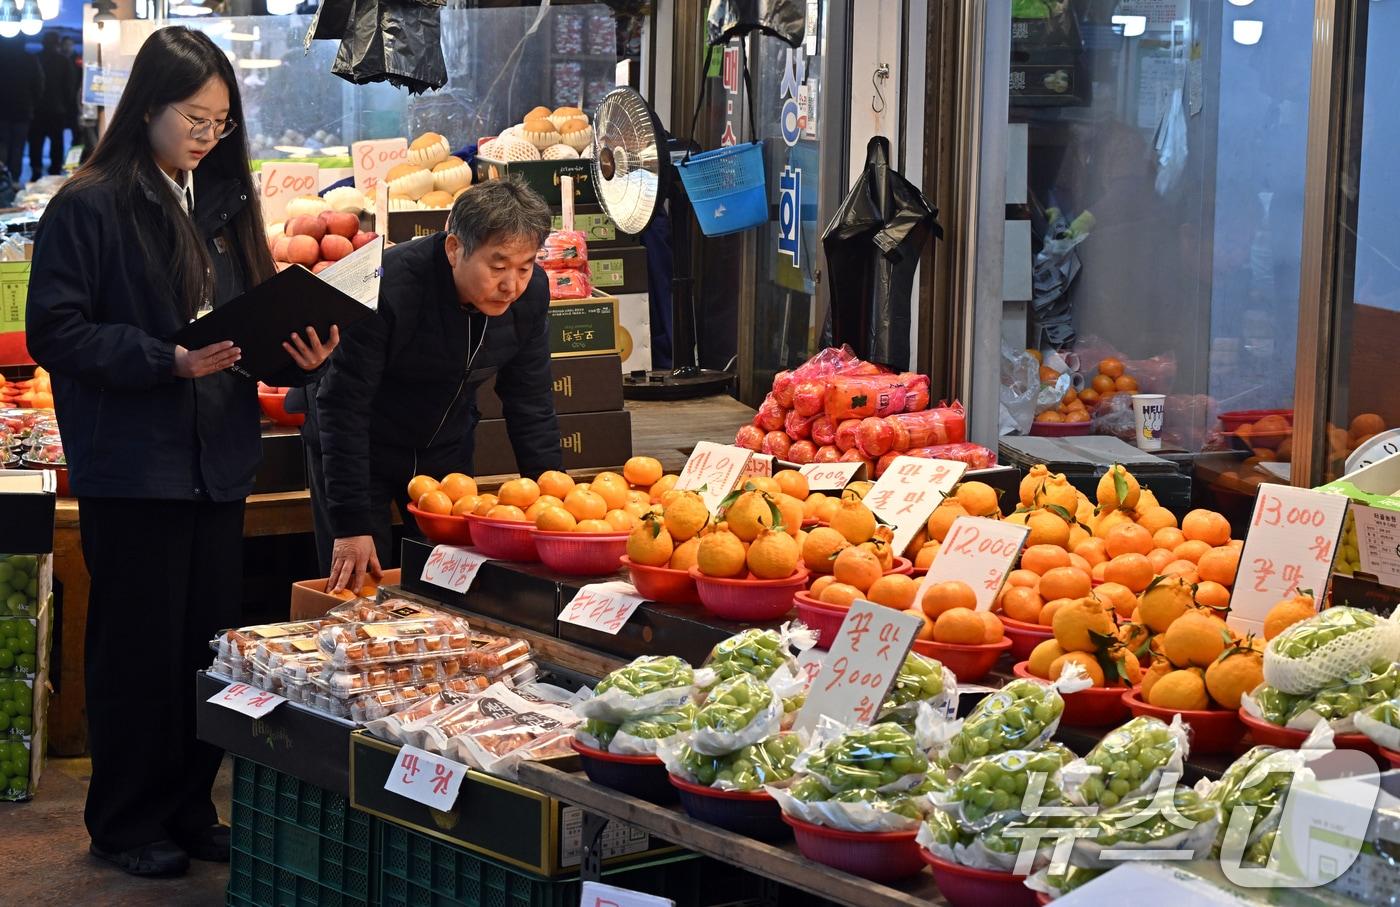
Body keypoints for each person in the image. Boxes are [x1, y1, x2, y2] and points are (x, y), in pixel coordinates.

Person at [25, 26, 338, 877]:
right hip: (135, 466)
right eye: (194, 118)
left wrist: (295, 356)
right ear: (149, 107)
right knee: (137, 651)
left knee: (207, 646)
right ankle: (125, 822)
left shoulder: (224, 203)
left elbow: (243, 332)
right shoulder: (89, 202)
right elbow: (54, 328)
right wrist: (160, 359)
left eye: (221, 122)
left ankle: (189, 805)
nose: (207, 135)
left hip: (217, 463)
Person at [294, 177, 563, 593]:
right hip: (359, 447)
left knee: (448, 584)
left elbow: (531, 400)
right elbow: (343, 405)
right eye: (498, 267)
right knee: (361, 589)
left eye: (524, 267)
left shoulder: (530, 294)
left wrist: (554, 507)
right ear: (455, 249)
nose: (512, 285)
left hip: (445, 444)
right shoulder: (388, 286)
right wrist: (349, 525)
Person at [30, 32, 76, 177]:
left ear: (43, 43)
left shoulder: (35, 58)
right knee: (57, 143)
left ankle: (36, 171)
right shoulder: (64, 61)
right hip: (58, 109)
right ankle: (55, 172)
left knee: (36, 143)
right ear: (58, 44)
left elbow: (30, 85)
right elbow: (69, 87)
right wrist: (70, 108)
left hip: (37, 109)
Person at [0, 36, 43, 183]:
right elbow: (39, 84)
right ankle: (15, 180)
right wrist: (33, 103)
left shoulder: (2, 58)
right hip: (23, 109)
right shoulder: (30, 59)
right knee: (18, 147)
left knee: (2, 145)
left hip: (2, 110)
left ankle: (2, 180)